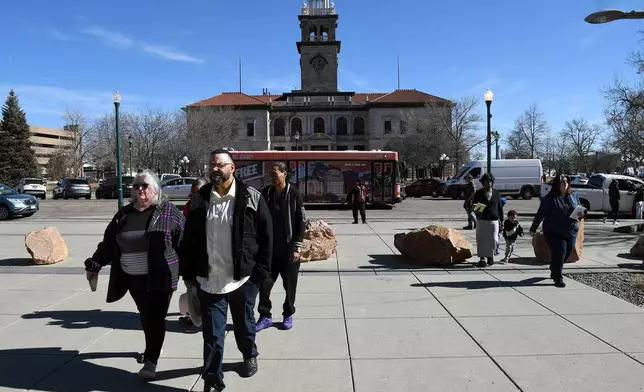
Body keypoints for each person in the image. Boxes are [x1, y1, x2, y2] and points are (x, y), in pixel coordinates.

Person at [179, 149, 272, 392]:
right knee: (212, 335)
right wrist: (189, 275)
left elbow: (267, 237)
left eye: (220, 164)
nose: (215, 169)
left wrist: (259, 274)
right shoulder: (200, 199)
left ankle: (249, 353)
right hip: (210, 279)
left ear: (232, 168)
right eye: (212, 165)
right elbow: (188, 239)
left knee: (244, 325)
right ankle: (212, 379)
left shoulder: (251, 197)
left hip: (242, 279)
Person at [84, 170, 185, 380]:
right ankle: (153, 347)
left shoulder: (169, 212)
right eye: (137, 185)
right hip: (132, 278)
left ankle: (151, 361)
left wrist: (192, 275)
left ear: (156, 189)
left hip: (161, 276)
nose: (140, 189)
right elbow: (109, 243)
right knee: (146, 316)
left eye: (145, 185)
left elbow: (184, 243)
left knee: (155, 318)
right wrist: (95, 264)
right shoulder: (124, 214)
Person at [256, 162, 306, 332]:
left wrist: (297, 247)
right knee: (264, 284)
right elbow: (259, 218)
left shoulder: (294, 194)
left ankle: (288, 314)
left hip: (289, 250)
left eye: (276, 174)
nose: (273, 178)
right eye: (271, 175)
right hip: (270, 251)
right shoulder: (267, 193)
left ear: (285, 174)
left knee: (290, 286)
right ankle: (265, 316)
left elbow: (301, 221)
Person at [530, 174, 583, 288]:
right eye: (562, 181)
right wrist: (533, 228)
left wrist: (581, 214)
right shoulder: (549, 199)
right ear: (556, 185)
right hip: (553, 231)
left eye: (566, 181)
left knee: (566, 253)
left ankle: (554, 269)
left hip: (571, 230)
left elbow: (580, 209)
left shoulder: (573, 196)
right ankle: (558, 277)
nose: (564, 183)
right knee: (560, 252)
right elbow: (540, 214)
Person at [179, 176, 209, 328]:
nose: (195, 197)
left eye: (199, 193)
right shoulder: (188, 207)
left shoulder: (212, 208)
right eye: (193, 194)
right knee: (192, 291)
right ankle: (193, 316)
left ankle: (201, 317)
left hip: (206, 259)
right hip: (191, 257)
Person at [472, 173, 503, 267]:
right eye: (486, 182)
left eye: (490, 182)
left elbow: (500, 207)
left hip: (494, 220)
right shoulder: (479, 193)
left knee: (493, 239)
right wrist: (476, 210)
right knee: (482, 239)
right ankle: (482, 258)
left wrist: (502, 220)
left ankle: (490, 256)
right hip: (482, 220)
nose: (489, 184)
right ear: (483, 183)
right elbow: (474, 205)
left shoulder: (497, 193)